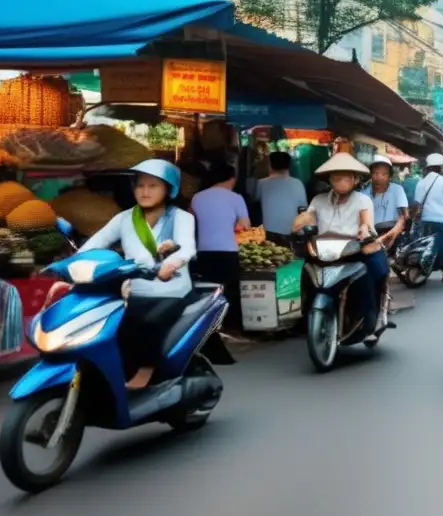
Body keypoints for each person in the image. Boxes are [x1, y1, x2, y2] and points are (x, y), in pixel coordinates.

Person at [80, 159, 197, 388]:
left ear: (168, 189)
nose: (144, 192)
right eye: (140, 185)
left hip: (171, 291)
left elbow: (187, 247)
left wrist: (172, 263)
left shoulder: (182, 218)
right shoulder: (123, 218)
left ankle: (146, 371)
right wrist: (72, 263)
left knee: (147, 323)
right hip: (135, 291)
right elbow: (97, 243)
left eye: (153, 186)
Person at [293, 153, 390, 341]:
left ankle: (370, 322)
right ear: (330, 179)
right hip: (323, 252)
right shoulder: (318, 200)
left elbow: (366, 222)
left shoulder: (362, 200)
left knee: (374, 270)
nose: (341, 182)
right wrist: (300, 222)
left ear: (355, 179)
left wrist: (364, 230)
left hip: (354, 251)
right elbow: (307, 218)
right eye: (337, 178)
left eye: (346, 178)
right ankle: (305, 315)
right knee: (305, 272)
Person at [191, 162, 250, 333]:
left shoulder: (197, 197)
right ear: (231, 179)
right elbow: (245, 225)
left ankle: (208, 326)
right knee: (230, 291)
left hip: (203, 251)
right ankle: (230, 326)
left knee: (208, 290)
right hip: (228, 251)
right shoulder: (236, 198)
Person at [413, 153, 443, 283]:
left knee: (426, 246)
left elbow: (417, 202)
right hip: (441, 220)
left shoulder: (421, 183)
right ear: (441, 167)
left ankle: (423, 270)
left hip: (425, 220)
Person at [255, 151, 307, 242]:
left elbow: (253, 200)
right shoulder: (298, 183)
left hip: (268, 235)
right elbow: (304, 209)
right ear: (289, 166)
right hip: (294, 233)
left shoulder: (261, 184)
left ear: (269, 165)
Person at [362, 155, 408, 249]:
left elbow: (404, 216)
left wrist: (394, 232)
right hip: (370, 237)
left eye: (384, 174)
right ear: (370, 175)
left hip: (393, 233)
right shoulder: (363, 193)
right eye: (375, 173)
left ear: (389, 176)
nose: (379, 178)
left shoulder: (397, 189)